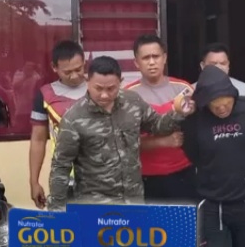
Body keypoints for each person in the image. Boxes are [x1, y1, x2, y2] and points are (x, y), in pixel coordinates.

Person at [48, 56, 194, 210]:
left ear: (120, 82)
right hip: (96, 205)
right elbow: (61, 166)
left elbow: (157, 125)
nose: (104, 95)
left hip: (133, 202)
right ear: (87, 81)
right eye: (98, 88)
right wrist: (57, 210)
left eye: (111, 88)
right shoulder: (74, 118)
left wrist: (179, 112)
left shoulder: (133, 102)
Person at [182, 65, 245, 247]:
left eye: (226, 103)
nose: (222, 109)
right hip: (214, 204)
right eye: (215, 105)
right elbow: (192, 153)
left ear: (233, 96)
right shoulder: (195, 120)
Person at [123, 34, 197, 203]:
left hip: (182, 173)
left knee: (183, 220)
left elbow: (196, 130)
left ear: (164, 58)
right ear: (136, 62)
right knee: (149, 221)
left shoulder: (184, 89)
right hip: (145, 177)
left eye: (155, 56)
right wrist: (163, 142)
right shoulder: (127, 95)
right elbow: (124, 142)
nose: (151, 62)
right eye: (145, 58)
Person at [28, 40, 87, 208]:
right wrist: (34, 181)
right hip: (64, 178)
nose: (74, 76)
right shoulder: (45, 95)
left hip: (100, 178)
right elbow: (38, 140)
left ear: (84, 62)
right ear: (54, 67)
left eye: (79, 69)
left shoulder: (100, 89)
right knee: (65, 224)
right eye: (67, 72)